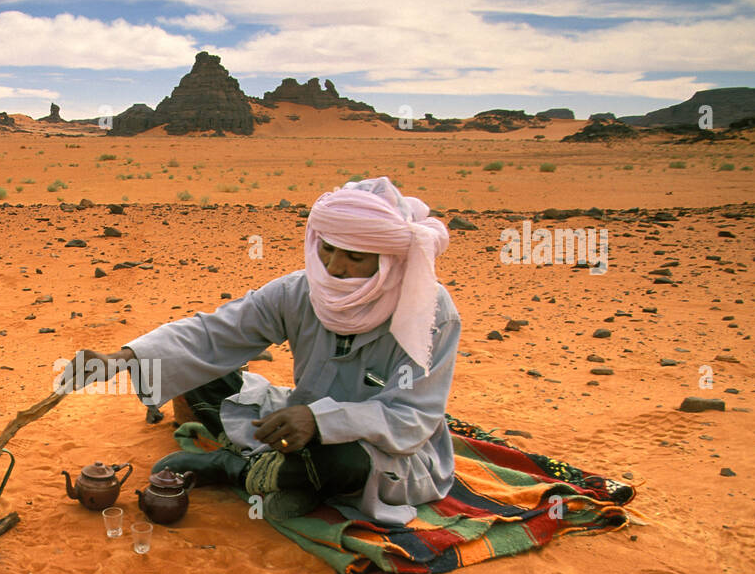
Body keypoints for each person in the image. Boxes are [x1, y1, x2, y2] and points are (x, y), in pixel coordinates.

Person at [60, 176, 460, 525]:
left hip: (378, 446)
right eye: (327, 249)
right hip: (290, 421)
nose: (334, 267)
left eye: (354, 257)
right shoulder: (301, 290)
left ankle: (234, 468)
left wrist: (320, 421)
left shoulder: (431, 312)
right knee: (196, 370)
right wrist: (123, 358)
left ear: (389, 258)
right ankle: (280, 474)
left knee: (344, 464)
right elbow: (214, 334)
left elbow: (413, 418)